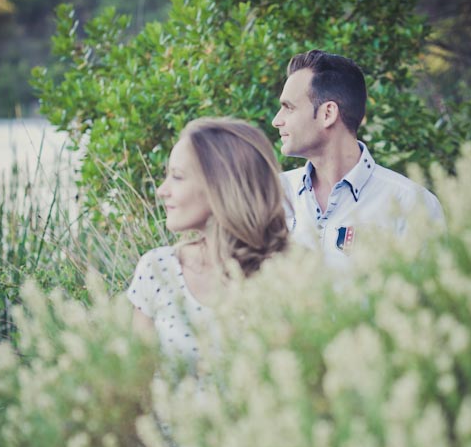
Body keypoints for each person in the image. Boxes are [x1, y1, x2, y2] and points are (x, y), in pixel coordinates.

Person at [127, 117, 289, 367]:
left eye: (177, 177)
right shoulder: (157, 269)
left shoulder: (291, 273)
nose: (162, 190)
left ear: (222, 186)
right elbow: (134, 384)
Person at [272, 50, 444, 267]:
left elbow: (431, 295)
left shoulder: (410, 204)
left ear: (328, 114)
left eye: (288, 107)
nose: (276, 121)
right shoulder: (272, 194)